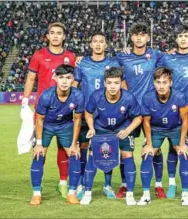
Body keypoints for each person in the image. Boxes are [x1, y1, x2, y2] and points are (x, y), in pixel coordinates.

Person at [21, 22, 77, 198]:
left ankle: (63, 184)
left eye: (59, 33)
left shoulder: (71, 56)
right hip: (42, 112)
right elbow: (31, 79)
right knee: (39, 151)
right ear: (47, 36)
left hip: (65, 113)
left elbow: (74, 81)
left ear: (64, 36)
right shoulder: (39, 56)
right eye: (52, 33)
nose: (55, 36)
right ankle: (37, 191)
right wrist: (24, 101)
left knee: (64, 149)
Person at [116, 22, 165, 199]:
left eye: (143, 35)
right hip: (129, 110)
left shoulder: (156, 55)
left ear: (148, 37)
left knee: (154, 148)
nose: (139, 38)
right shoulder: (123, 57)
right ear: (131, 37)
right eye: (136, 35)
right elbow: (114, 74)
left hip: (151, 109)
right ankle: (124, 184)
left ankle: (158, 184)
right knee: (125, 149)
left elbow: (170, 63)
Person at [72, 31, 124, 200]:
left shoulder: (112, 63)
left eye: (101, 41)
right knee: (83, 148)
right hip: (86, 112)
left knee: (106, 149)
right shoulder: (82, 63)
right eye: (95, 41)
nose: (98, 44)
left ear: (105, 45)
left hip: (106, 114)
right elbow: (74, 86)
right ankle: (81, 182)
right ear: (91, 44)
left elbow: (121, 86)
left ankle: (107, 184)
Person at [81, 67, 142, 206]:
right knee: (93, 157)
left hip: (122, 130)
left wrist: (128, 130)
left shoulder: (128, 98)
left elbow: (138, 118)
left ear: (121, 83)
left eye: (116, 83)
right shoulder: (96, 96)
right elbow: (88, 113)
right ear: (104, 83)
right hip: (101, 129)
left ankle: (130, 195)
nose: (113, 86)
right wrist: (91, 128)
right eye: (109, 83)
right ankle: (87, 193)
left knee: (128, 156)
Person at [156, 25, 188, 198]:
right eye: (180, 36)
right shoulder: (166, 58)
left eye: (186, 36)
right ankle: (171, 184)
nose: (183, 39)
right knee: (173, 146)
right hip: (172, 107)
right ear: (175, 39)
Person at [30, 64, 84, 206]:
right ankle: (36, 194)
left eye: (68, 78)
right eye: (61, 78)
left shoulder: (78, 95)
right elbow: (39, 120)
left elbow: (77, 120)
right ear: (55, 78)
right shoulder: (46, 96)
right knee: (38, 155)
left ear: (73, 79)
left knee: (74, 155)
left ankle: (71, 193)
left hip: (65, 126)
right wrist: (39, 143)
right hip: (46, 126)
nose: (65, 81)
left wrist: (74, 144)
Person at [138, 67, 188, 206]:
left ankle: (185, 195)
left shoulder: (179, 96)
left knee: (184, 154)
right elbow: (146, 122)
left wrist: (182, 143)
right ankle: (145, 195)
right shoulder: (147, 97)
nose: (161, 86)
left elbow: (185, 119)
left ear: (170, 83)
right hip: (156, 129)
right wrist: (148, 144)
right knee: (147, 155)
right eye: (158, 82)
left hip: (175, 128)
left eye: (165, 82)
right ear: (154, 83)